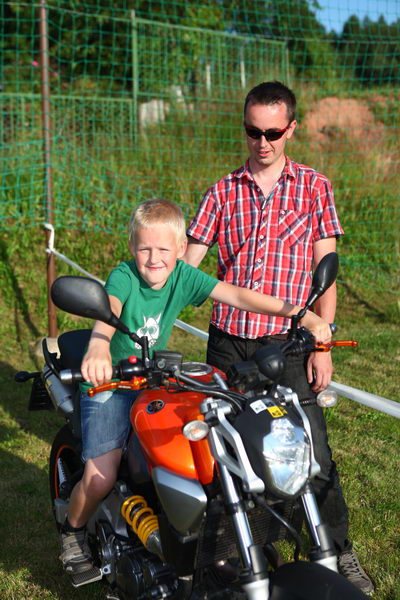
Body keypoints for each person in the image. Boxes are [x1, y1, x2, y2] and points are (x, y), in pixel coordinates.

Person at [59, 197, 332, 578]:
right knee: (102, 473)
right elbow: (110, 308)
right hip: (110, 382)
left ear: (181, 248)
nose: (154, 259)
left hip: (153, 378)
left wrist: (300, 314)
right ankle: (72, 531)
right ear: (132, 247)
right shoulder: (124, 276)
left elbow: (238, 295)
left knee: (198, 447)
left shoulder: (184, 277)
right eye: (144, 249)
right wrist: (99, 346)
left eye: (163, 250)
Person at [184, 81, 374, 595]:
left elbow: (325, 273)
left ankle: (335, 549)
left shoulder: (314, 187)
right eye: (253, 131)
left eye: (272, 132)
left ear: (291, 128)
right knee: (228, 458)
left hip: (288, 344)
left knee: (313, 455)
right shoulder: (222, 191)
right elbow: (186, 267)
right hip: (229, 344)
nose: (262, 142)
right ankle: (231, 558)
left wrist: (322, 345)